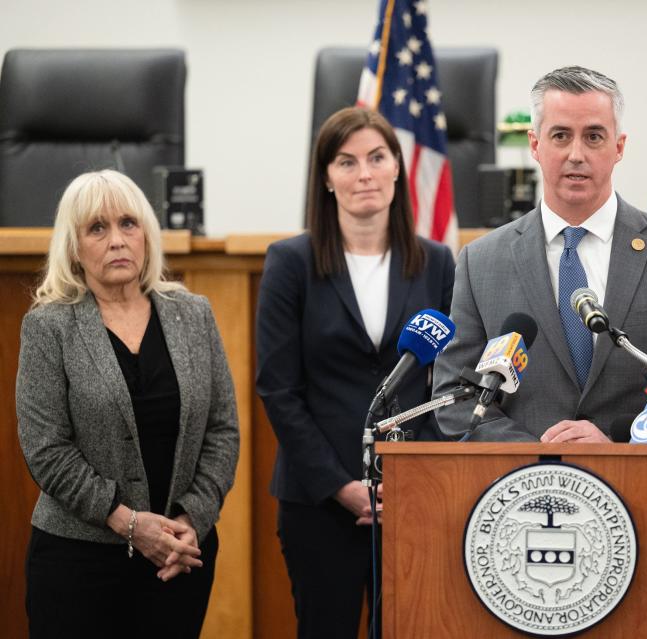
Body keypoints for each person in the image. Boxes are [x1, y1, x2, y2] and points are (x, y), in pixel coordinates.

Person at [432, 66, 647, 442]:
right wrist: (538, 456)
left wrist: (619, 444)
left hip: (645, 489)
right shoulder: (481, 262)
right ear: (535, 144)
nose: (576, 154)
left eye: (594, 136)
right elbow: (456, 397)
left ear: (619, 147)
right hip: (523, 489)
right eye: (560, 136)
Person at [256, 106, 455, 638]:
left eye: (376, 157)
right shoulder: (289, 263)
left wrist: (414, 477)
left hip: (412, 497)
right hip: (319, 502)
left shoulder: (438, 263)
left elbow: (452, 385)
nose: (364, 173)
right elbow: (278, 389)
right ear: (325, 178)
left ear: (397, 168)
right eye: (346, 162)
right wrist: (342, 487)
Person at [16, 169, 240, 638]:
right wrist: (129, 522)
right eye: (97, 228)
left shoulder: (193, 314)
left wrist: (190, 518)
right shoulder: (48, 327)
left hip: (179, 558)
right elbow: (46, 449)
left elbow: (222, 431)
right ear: (74, 247)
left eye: (128, 224)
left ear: (147, 235)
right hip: (78, 563)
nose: (117, 239)